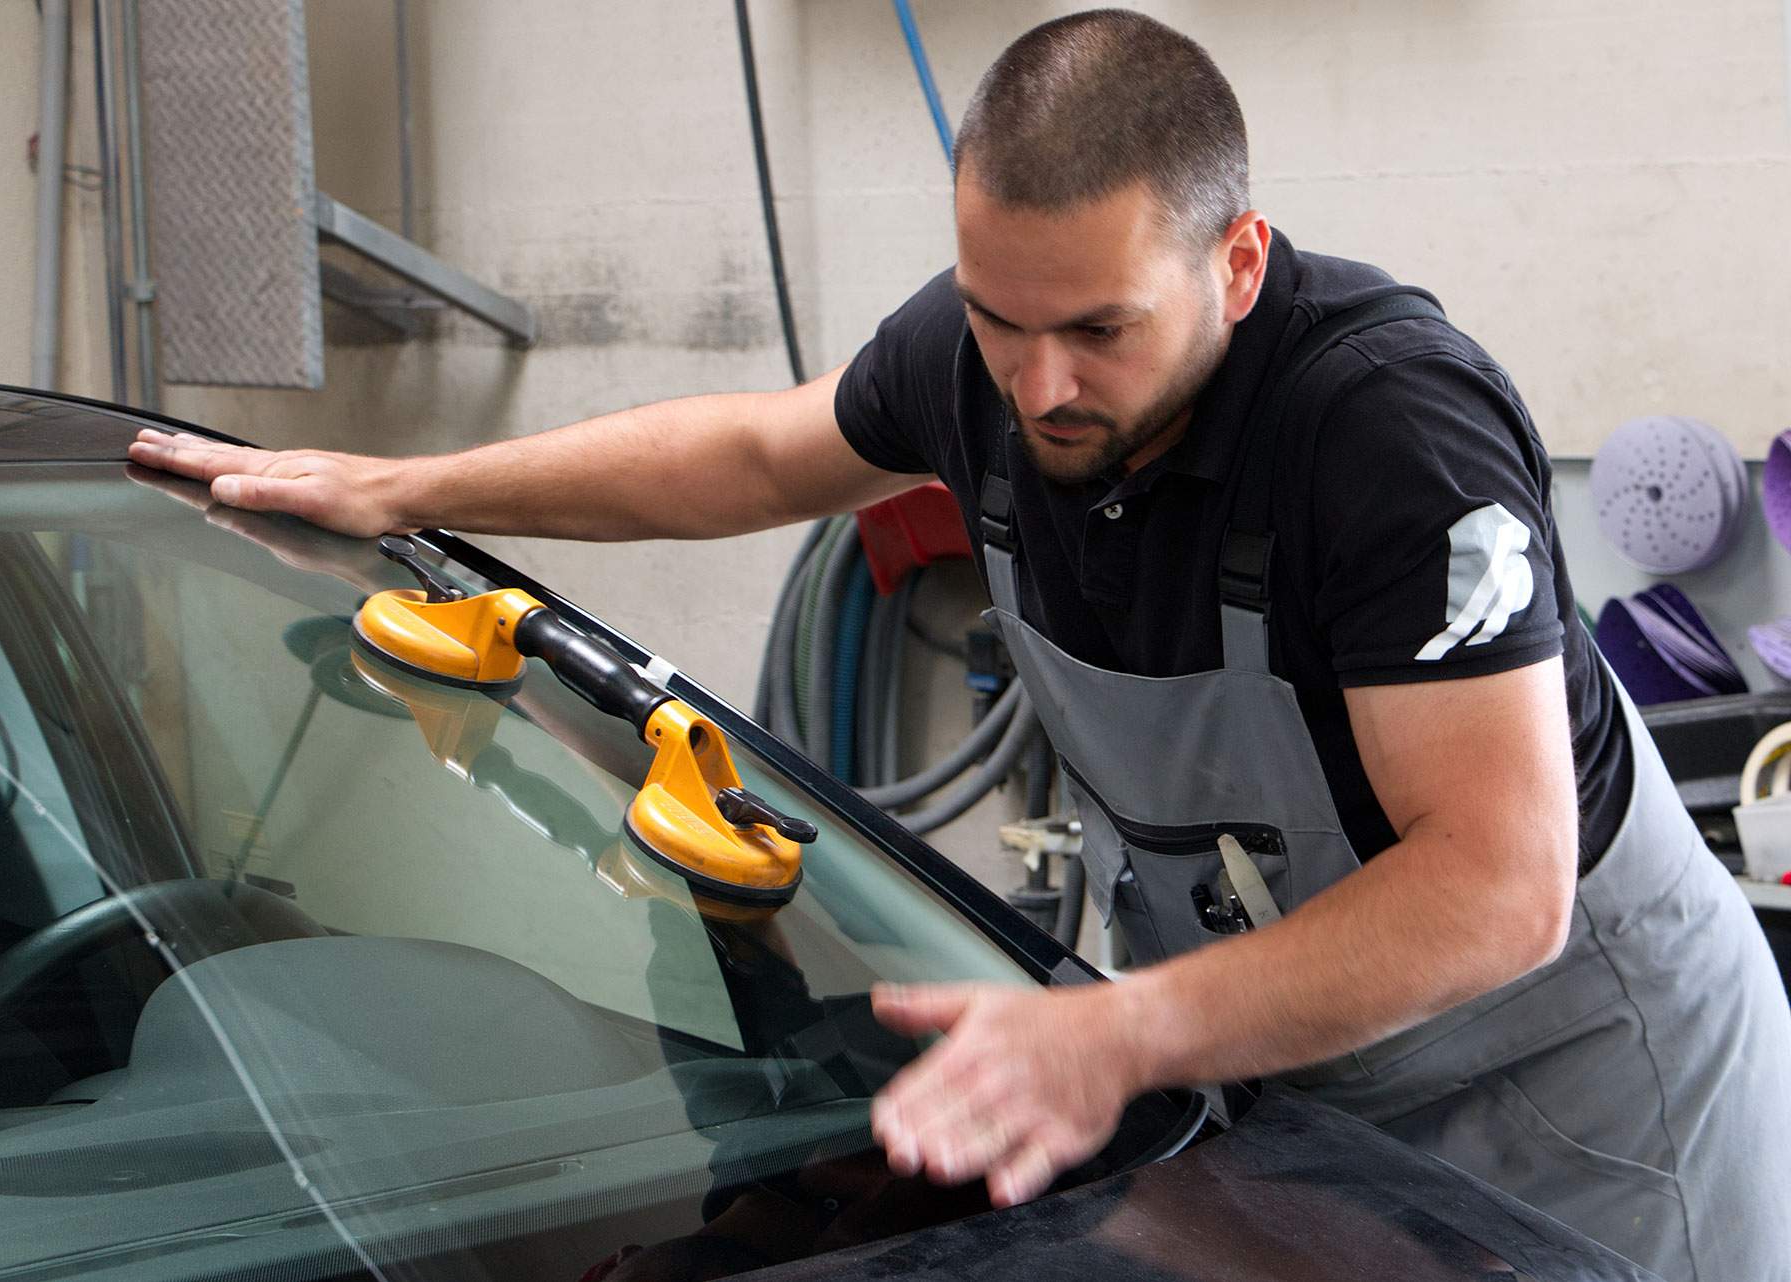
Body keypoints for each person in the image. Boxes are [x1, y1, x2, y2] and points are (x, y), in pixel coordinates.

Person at [129, 11, 1791, 1279]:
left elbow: (1497, 884)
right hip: (1293, 1069)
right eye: (1001, 320)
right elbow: (750, 455)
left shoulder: (1387, 430)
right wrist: (401, 485)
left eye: (1099, 330)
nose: (1040, 385)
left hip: (1580, 1091)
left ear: (1237, 262)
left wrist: (1121, 1030)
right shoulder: (978, 361)